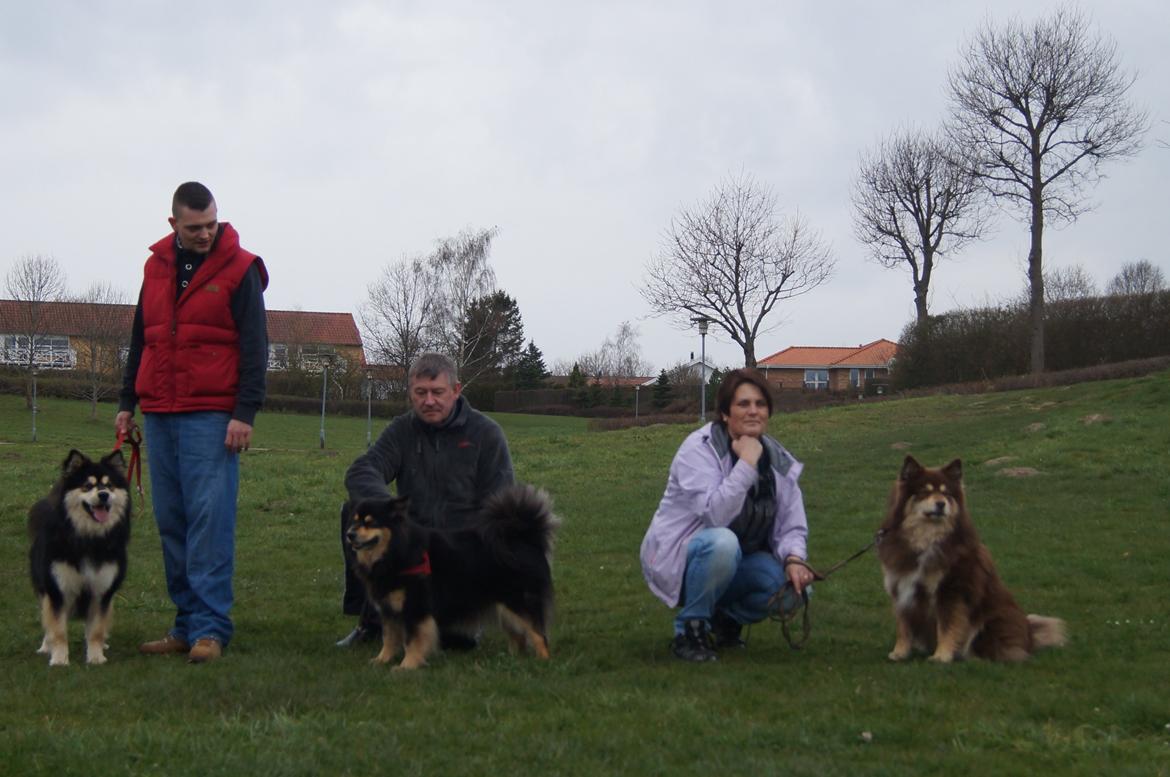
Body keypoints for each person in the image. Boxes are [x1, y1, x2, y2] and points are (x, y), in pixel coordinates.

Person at [115, 181, 268, 664]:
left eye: (211, 224)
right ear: (174, 224)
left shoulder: (242, 270)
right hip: (160, 412)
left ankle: (210, 629)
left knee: (209, 523)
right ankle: (183, 625)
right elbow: (142, 337)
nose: (205, 234)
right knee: (172, 522)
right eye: (194, 227)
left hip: (211, 416)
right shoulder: (154, 267)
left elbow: (255, 348)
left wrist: (244, 413)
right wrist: (126, 402)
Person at [336, 352, 515, 648]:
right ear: (410, 393)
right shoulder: (402, 431)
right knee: (355, 511)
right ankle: (373, 621)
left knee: (455, 642)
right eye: (420, 393)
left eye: (437, 392)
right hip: (412, 545)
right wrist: (386, 510)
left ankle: (466, 615)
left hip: (460, 549)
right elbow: (363, 469)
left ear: (456, 391)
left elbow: (503, 503)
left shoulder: (486, 434)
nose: (429, 401)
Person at [639, 368, 815, 662]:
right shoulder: (699, 449)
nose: (753, 411)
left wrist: (794, 559)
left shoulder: (777, 460)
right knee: (723, 543)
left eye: (760, 404)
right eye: (743, 404)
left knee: (794, 592)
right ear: (724, 413)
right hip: (683, 558)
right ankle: (689, 630)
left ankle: (723, 618)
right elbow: (714, 515)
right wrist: (746, 464)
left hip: (737, 561)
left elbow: (792, 525)